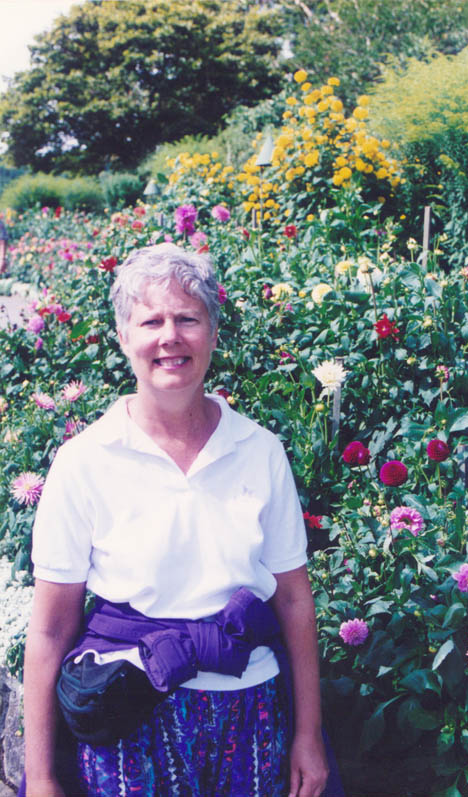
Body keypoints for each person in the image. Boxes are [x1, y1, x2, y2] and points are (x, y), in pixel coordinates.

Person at [22, 243, 331, 796]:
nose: (170, 336)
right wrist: (41, 776)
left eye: (188, 318)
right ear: (124, 337)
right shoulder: (85, 461)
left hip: (250, 707)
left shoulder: (259, 450)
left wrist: (308, 733)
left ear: (213, 332)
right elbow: (49, 628)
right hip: (127, 711)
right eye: (151, 320)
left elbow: (292, 600)